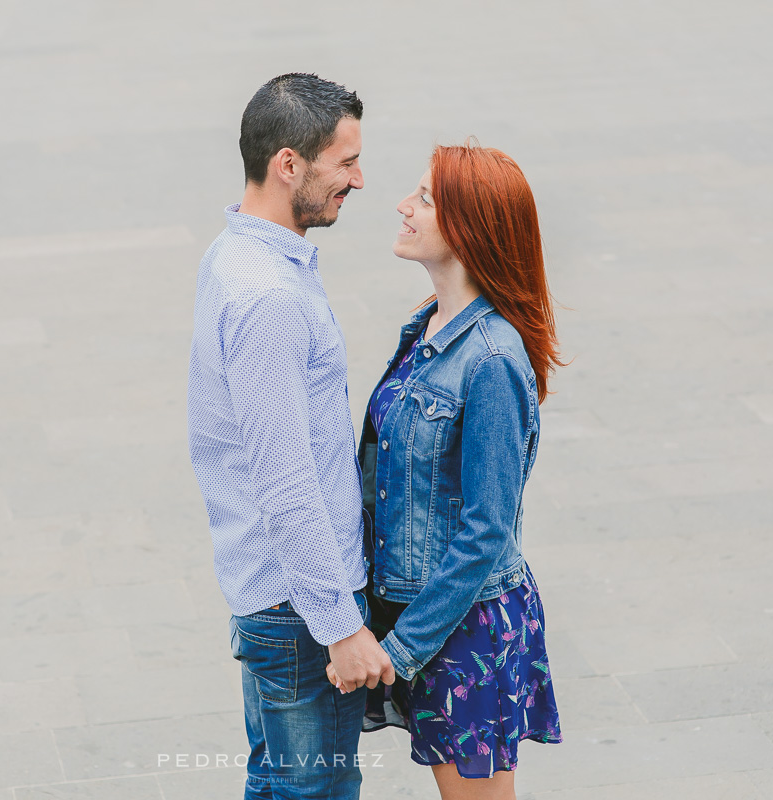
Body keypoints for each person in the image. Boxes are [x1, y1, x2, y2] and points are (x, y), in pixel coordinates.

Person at [329, 143, 564, 800]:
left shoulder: (490, 360)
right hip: (425, 612)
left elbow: (488, 529)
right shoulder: (426, 329)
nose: (403, 205)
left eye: (425, 199)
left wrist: (400, 649)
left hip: (464, 628)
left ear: (469, 226)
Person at [186, 73, 395, 800]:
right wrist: (340, 626)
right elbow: (286, 480)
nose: (359, 180)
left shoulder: (242, 256)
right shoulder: (267, 297)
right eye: (344, 163)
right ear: (288, 165)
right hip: (300, 609)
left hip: (277, 597)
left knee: (277, 787)